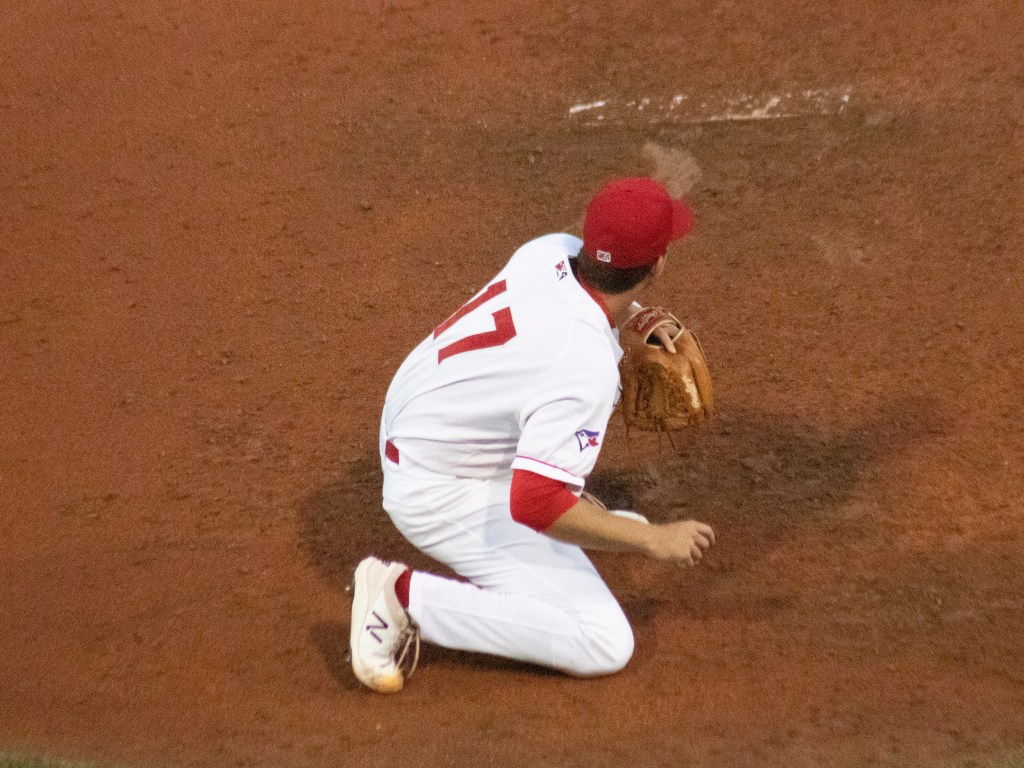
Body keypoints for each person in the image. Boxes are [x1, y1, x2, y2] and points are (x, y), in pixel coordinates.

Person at [348, 177, 716, 693]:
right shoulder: (583, 366)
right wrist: (652, 540)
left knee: (561, 481)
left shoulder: (550, 249)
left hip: (420, 414)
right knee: (603, 641)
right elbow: (536, 505)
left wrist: (633, 319)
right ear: (657, 266)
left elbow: (584, 303)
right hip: (434, 487)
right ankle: (400, 596)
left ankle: (561, 510)